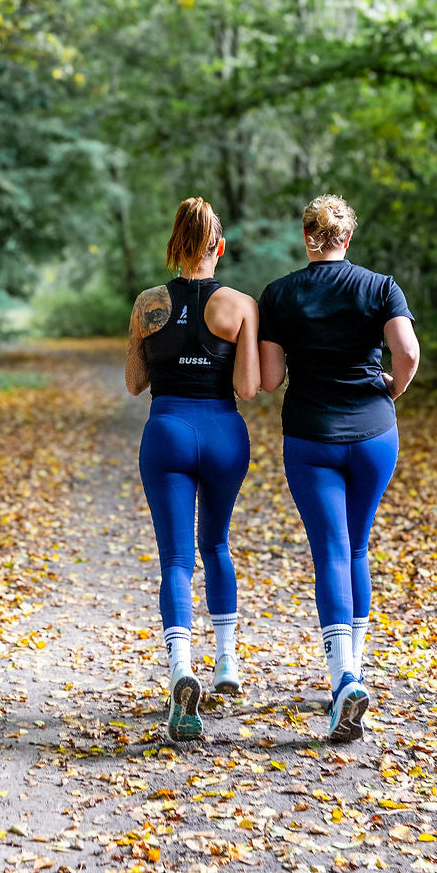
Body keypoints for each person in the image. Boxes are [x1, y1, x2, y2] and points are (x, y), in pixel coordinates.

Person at [258, 194, 419, 743]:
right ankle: (357, 667)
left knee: (330, 548)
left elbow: (272, 377)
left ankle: (343, 678)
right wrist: (392, 389)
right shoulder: (381, 287)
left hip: (310, 435)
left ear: (306, 236)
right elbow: (408, 352)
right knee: (357, 547)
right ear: (346, 238)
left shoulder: (279, 294)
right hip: (375, 433)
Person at [126, 198, 260, 742]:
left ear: (173, 247)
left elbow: (135, 383)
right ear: (218, 247)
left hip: (168, 431)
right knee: (217, 545)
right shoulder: (240, 305)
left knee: (176, 560)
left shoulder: (148, 304)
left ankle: (183, 670)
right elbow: (249, 389)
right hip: (224, 433)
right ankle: (226, 662)